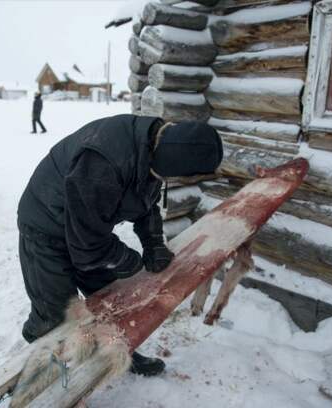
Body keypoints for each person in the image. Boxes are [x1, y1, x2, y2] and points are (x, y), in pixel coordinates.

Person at [17, 114, 223, 376]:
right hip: (45, 225)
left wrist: (153, 244)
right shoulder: (101, 164)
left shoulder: (156, 143)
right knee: (57, 316)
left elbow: (144, 200)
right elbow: (88, 248)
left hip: (86, 227)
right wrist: (129, 261)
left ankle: (118, 352)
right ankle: (44, 374)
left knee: (111, 302)